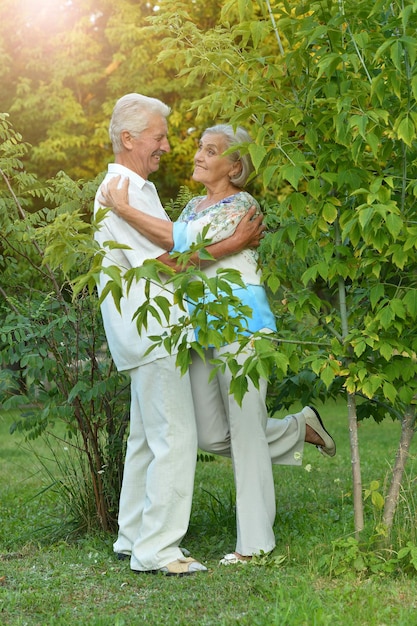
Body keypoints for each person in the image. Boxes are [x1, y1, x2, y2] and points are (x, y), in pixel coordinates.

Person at [100, 123, 336, 565]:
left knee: (246, 433)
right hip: (199, 329)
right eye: (200, 149)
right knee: (209, 434)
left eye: (211, 151)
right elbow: (178, 261)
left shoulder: (242, 204)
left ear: (235, 166)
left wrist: (122, 207)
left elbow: (178, 244)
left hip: (243, 326)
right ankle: (298, 428)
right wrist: (199, 251)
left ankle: (256, 545)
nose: (198, 156)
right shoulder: (190, 206)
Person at [93, 95, 266, 576]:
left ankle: (132, 536)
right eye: (158, 137)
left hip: (154, 329)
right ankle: (159, 550)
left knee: (147, 438)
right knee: (175, 435)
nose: (168, 146)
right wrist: (232, 244)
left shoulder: (135, 189)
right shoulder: (120, 189)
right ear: (129, 139)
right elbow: (168, 260)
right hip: (152, 332)